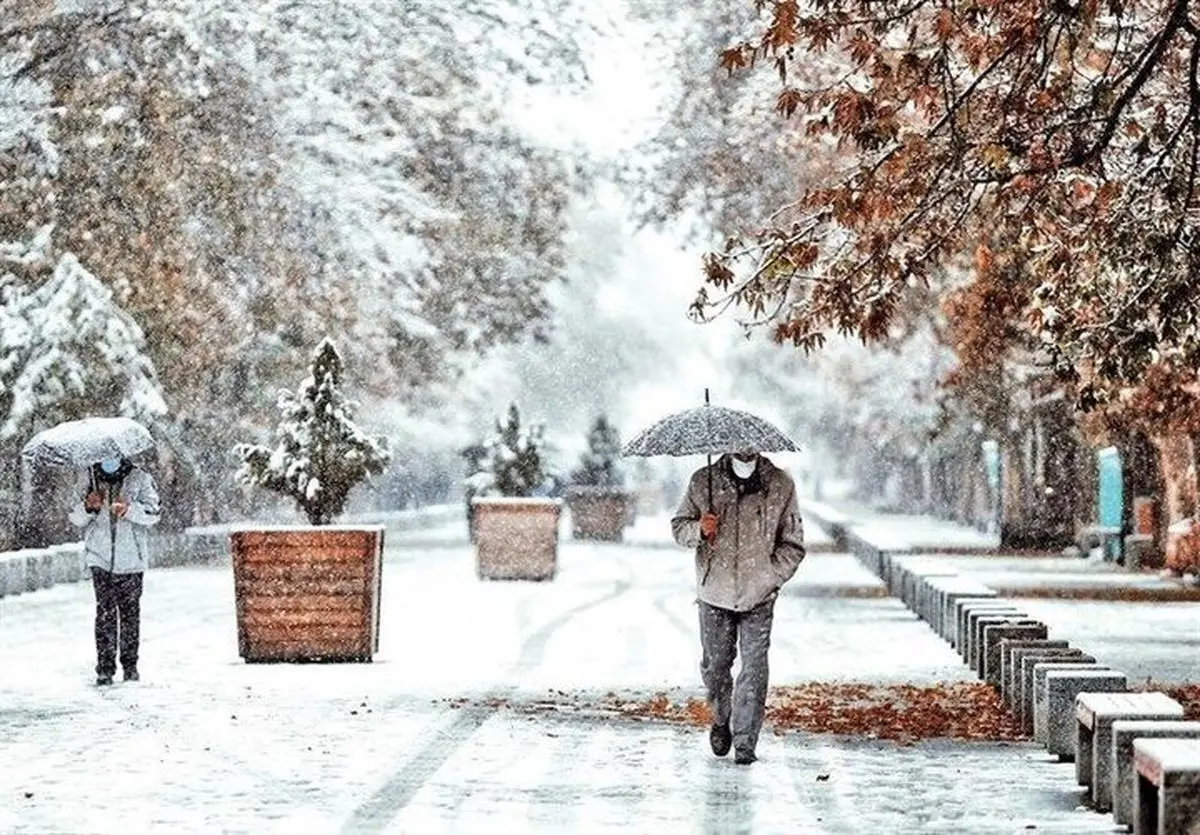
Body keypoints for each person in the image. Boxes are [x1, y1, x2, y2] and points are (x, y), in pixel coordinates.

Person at [671, 449, 806, 764]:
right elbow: (679, 527)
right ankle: (721, 718)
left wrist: (771, 576)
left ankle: (746, 743)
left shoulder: (780, 485)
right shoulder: (703, 481)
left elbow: (794, 543)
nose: (744, 448)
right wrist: (699, 530)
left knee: (754, 668)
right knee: (716, 666)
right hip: (714, 592)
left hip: (759, 595)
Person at [67, 456, 160, 686]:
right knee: (105, 614)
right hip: (100, 558)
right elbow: (74, 516)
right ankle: (105, 668)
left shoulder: (139, 478)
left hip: (131, 560)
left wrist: (129, 510)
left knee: (129, 614)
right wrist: (89, 506)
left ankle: (130, 666)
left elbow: (154, 512)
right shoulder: (88, 478)